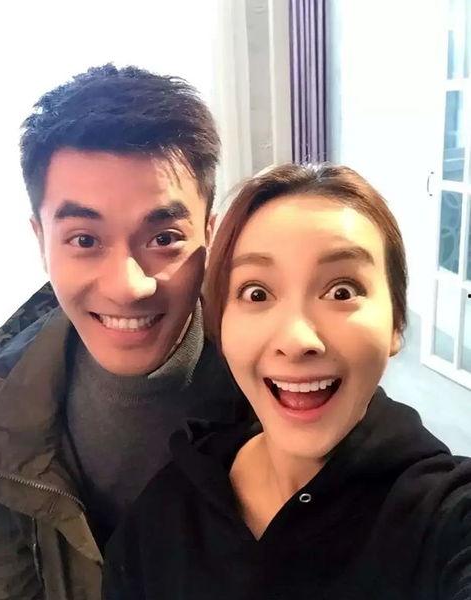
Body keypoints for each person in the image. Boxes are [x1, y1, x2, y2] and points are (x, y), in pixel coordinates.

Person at [103, 163, 471, 600]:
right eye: (256, 293)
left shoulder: (445, 516)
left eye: (342, 291)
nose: (297, 341)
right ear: (221, 325)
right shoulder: (165, 513)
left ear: (396, 325)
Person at [0, 64, 249, 600]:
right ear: (41, 240)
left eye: (164, 238)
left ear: (210, 235)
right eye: (84, 240)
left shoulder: (281, 393)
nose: (128, 287)